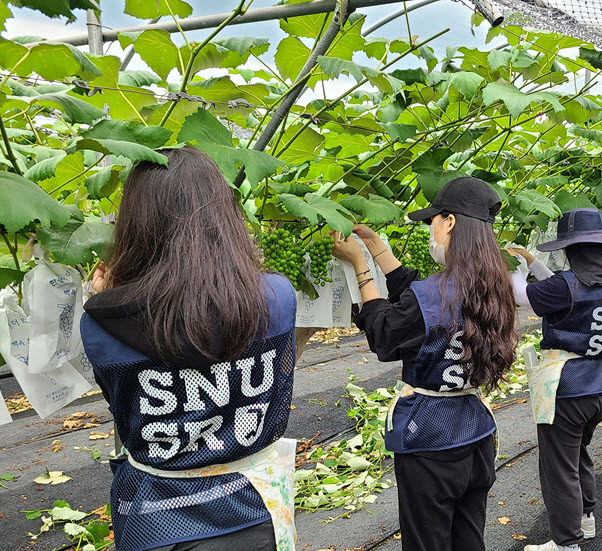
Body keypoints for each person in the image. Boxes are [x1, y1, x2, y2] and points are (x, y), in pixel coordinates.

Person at [80, 146, 298, 551]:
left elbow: (121, 402)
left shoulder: (100, 322)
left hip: (152, 518)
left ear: (134, 224)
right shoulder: (277, 297)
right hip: (251, 508)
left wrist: (107, 300)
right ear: (224, 216)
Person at [330, 176, 518, 551]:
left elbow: (386, 332)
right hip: (477, 436)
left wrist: (359, 268)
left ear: (448, 222)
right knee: (468, 540)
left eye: (433, 219)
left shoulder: (435, 295)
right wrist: (376, 247)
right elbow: (417, 299)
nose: (430, 228)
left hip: (431, 441)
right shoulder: (493, 286)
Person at [507, 208, 602, 551]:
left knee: (559, 468)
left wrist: (511, 268)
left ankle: (566, 543)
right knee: (577, 454)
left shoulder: (567, 286)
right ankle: (585, 519)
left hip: (567, 388)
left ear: (573, 250)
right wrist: (533, 262)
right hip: (601, 385)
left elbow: (524, 295)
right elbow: (563, 286)